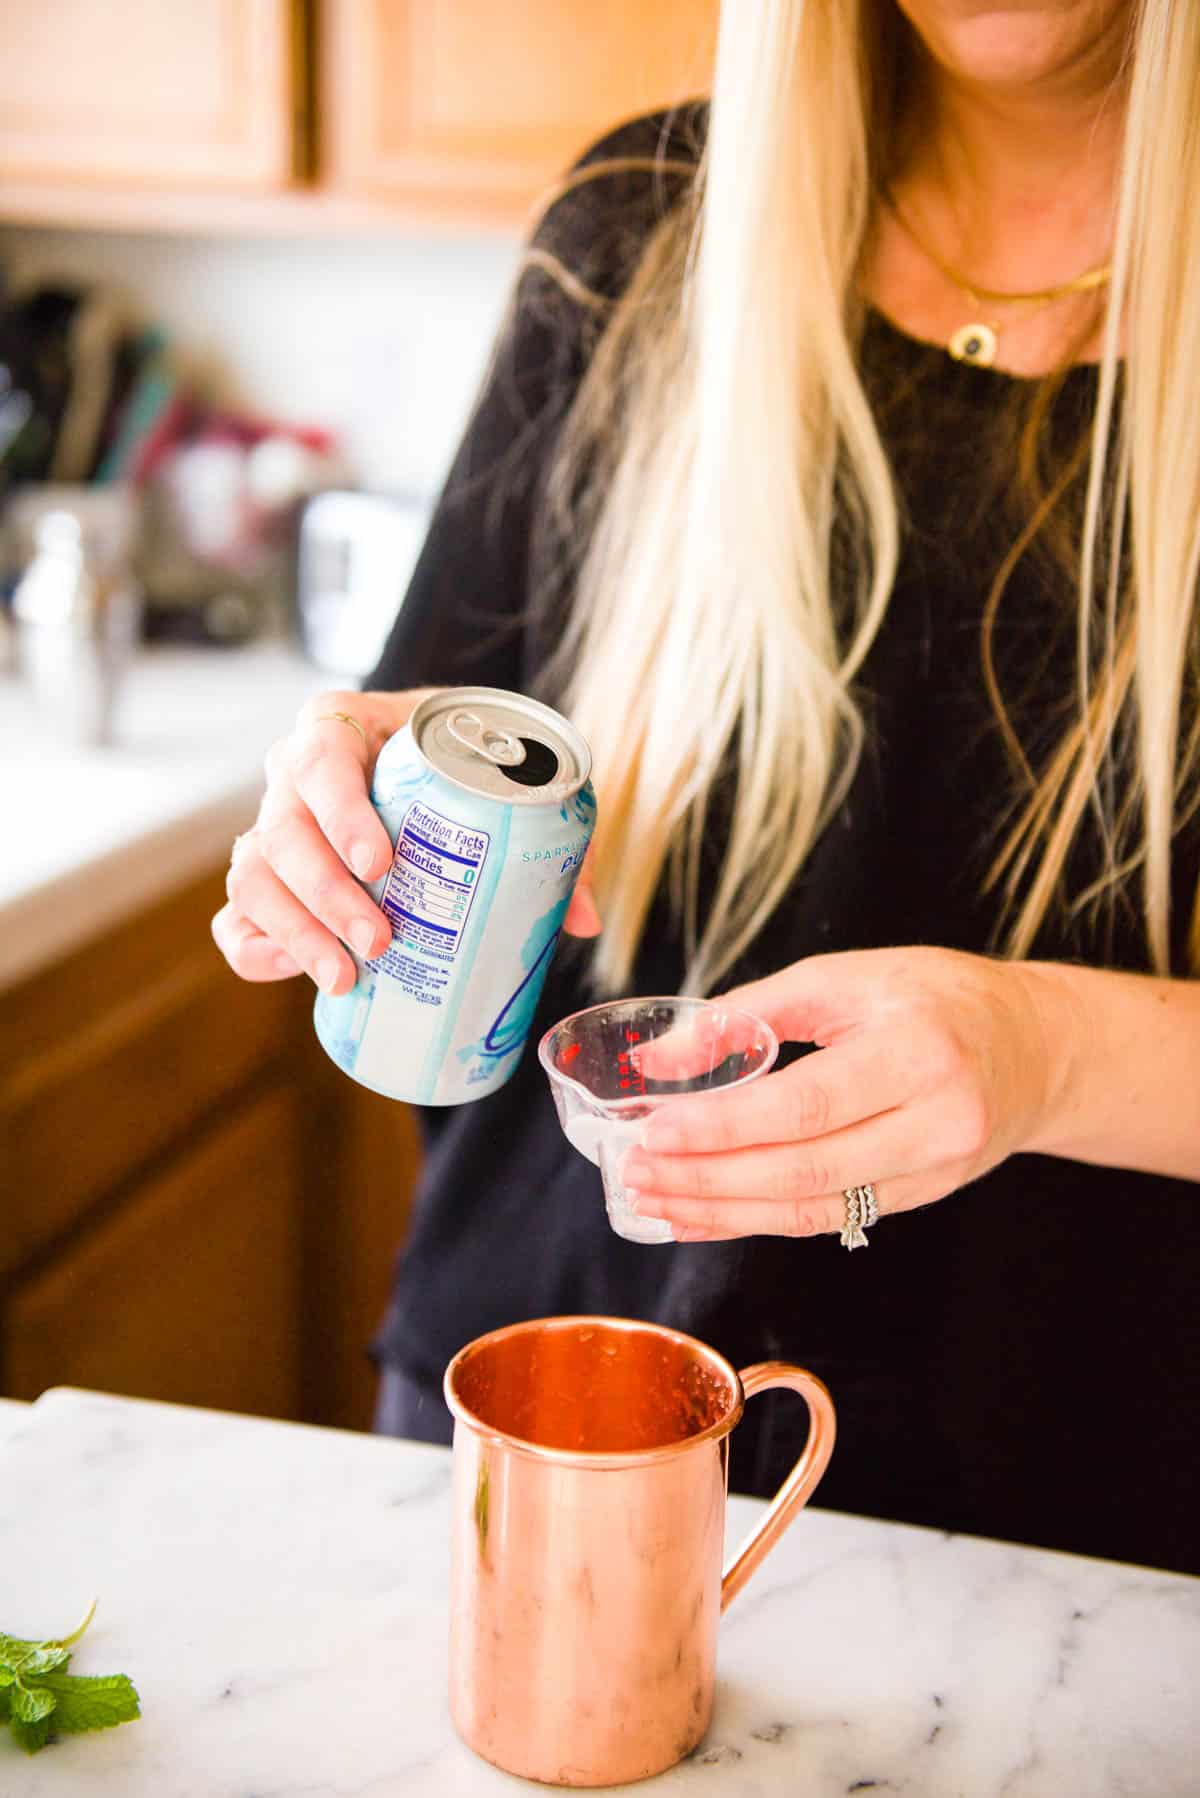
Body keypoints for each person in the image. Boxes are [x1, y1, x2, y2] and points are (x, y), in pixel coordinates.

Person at [214, 0, 1200, 1576]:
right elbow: (441, 745)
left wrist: (1052, 1048)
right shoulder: (633, 241)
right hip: (541, 1425)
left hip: (1082, 1529)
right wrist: (348, 830)